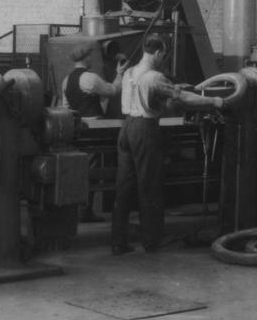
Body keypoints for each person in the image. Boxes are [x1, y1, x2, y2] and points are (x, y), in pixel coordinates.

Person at [112, 33, 224, 255]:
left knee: (123, 188)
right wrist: (213, 101)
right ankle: (151, 242)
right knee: (149, 187)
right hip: (144, 129)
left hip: (126, 130)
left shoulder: (130, 73)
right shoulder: (154, 77)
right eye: (164, 55)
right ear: (157, 52)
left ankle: (118, 243)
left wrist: (173, 90)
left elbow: (154, 94)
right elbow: (182, 99)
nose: (164, 59)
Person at [59, 43, 125, 117]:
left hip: (77, 125)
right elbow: (113, 91)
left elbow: (66, 107)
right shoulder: (90, 77)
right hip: (95, 125)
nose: (91, 59)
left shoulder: (66, 80)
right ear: (87, 58)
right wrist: (119, 73)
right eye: (89, 55)